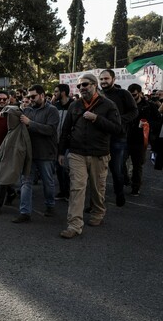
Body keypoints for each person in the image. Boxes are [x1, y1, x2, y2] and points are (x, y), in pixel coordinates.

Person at [58, 73, 122, 239]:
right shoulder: (75, 105)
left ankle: (98, 212)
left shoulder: (108, 105)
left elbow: (117, 129)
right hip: (77, 153)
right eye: (79, 86)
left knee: (97, 188)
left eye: (85, 85)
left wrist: (96, 118)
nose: (81, 88)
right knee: (77, 188)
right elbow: (65, 130)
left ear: (94, 85)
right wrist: (61, 152)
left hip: (99, 154)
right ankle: (74, 224)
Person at [12, 85, 59, 222]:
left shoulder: (52, 110)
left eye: (33, 96)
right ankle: (25, 212)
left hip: (46, 153)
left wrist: (30, 123)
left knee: (47, 182)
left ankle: (50, 205)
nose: (30, 99)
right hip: (29, 154)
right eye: (29, 97)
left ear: (42, 96)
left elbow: (50, 130)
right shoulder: (27, 110)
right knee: (26, 182)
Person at [99, 69, 138, 206]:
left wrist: (119, 120)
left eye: (106, 79)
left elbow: (134, 111)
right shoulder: (98, 94)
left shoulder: (123, 94)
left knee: (117, 170)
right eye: (101, 79)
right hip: (100, 138)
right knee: (97, 173)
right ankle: (97, 202)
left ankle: (119, 195)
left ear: (113, 79)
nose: (103, 81)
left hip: (118, 138)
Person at [0, 105, 32, 216]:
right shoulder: (12, 130)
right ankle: (10, 192)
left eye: (10, 117)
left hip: (12, 159)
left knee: (3, 180)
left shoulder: (21, 131)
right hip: (2, 157)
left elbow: (25, 149)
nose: (8, 119)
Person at [126, 83, 161, 195]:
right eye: (130, 95)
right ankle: (126, 179)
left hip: (140, 140)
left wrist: (147, 124)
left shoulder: (149, 106)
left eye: (134, 95)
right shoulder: (125, 105)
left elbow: (158, 121)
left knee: (137, 165)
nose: (132, 97)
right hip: (125, 138)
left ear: (140, 93)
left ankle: (135, 187)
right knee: (119, 163)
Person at [53, 83, 72, 201]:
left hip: (69, 142)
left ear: (63, 92)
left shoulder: (74, 105)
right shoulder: (55, 106)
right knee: (59, 168)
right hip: (57, 141)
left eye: (56, 91)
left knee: (67, 168)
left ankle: (69, 192)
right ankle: (63, 191)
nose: (54, 94)